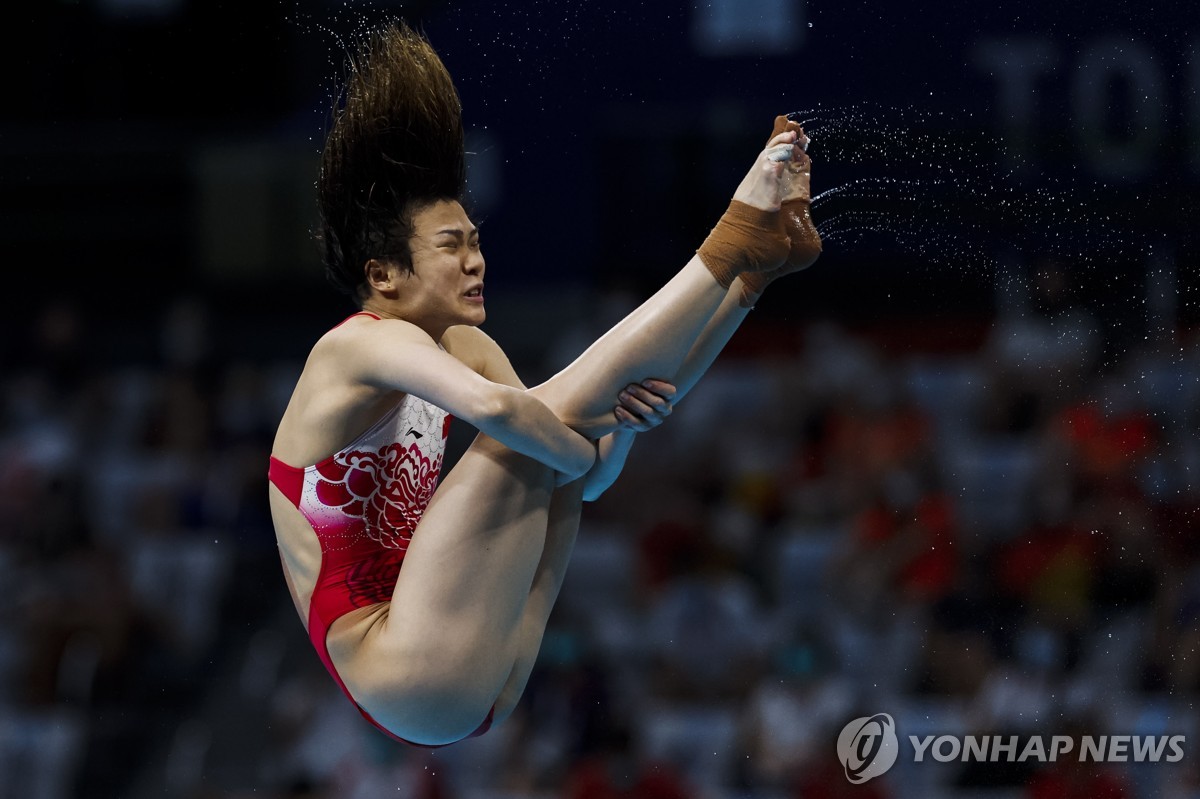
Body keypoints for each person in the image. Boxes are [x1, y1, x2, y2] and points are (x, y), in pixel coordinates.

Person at [268, 18, 822, 747]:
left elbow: (583, 466)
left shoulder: (461, 344)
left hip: (473, 669)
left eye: (477, 242)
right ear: (383, 275)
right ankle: (731, 240)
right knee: (530, 425)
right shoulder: (352, 348)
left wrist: (610, 441)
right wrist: (587, 448)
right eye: (452, 246)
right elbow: (503, 413)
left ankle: (750, 276)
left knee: (573, 417)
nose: (477, 262)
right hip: (400, 663)